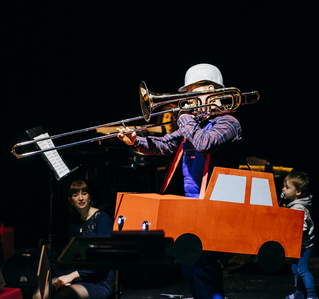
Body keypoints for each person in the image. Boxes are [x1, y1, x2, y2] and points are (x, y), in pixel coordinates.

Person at [117, 63, 243, 299]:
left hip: (216, 207)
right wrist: (136, 140)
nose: (190, 97)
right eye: (189, 92)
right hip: (191, 206)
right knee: (189, 265)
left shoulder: (229, 123)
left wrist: (185, 118)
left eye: (198, 90)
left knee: (204, 267)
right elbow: (165, 144)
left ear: (215, 91)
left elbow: (205, 143)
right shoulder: (194, 123)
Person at [33, 180, 115, 299]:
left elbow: (102, 259)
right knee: (38, 295)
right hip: (78, 276)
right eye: (76, 195)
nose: (81, 198)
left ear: (89, 197)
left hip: (99, 280)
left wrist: (72, 276)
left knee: (62, 296)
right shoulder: (74, 225)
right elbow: (75, 259)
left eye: (84, 193)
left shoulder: (102, 219)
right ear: (71, 200)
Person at [282, 172, 317, 299]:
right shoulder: (294, 206)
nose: (283, 189)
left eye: (287, 187)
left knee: (302, 269)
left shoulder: (299, 208)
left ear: (298, 192)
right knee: (295, 268)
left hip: (304, 245)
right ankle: (299, 294)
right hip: (297, 245)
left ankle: (312, 295)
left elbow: (302, 229)